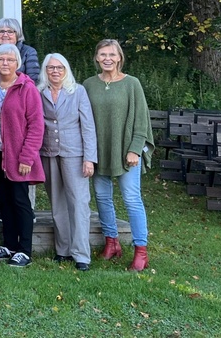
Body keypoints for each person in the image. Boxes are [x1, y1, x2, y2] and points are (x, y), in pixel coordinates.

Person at [83, 39, 154, 271]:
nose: (107, 58)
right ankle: (111, 242)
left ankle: (141, 251)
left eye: (112, 54)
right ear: (96, 57)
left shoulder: (131, 84)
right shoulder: (88, 85)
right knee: (102, 198)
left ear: (119, 57)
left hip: (125, 152)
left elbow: (141, 120)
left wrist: (135, 149)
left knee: (132, 199)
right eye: (103, 54)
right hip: (99, 151)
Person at [39, 53, 97, 271]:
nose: (55, 71)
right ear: (45, 71)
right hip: (49, 152)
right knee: (57, 203)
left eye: (59, 68)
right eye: (51, 68)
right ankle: (62, 250)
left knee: (79, 202)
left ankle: (81, 254)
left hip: (75, 153)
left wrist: (89, 158)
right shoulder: (40, 92)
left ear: (66, 70)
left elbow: (88, 126)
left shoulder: (78, 91)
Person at [0, 44, 45, 267]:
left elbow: (36, 125)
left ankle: (25, 249)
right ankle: (10, 244)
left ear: (17, 63)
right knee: (4, 200)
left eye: (9, 60)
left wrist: (27, 157)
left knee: (21, 202)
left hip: (17, 154)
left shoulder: (26, 88)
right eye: (1, 59)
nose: (5, 63)